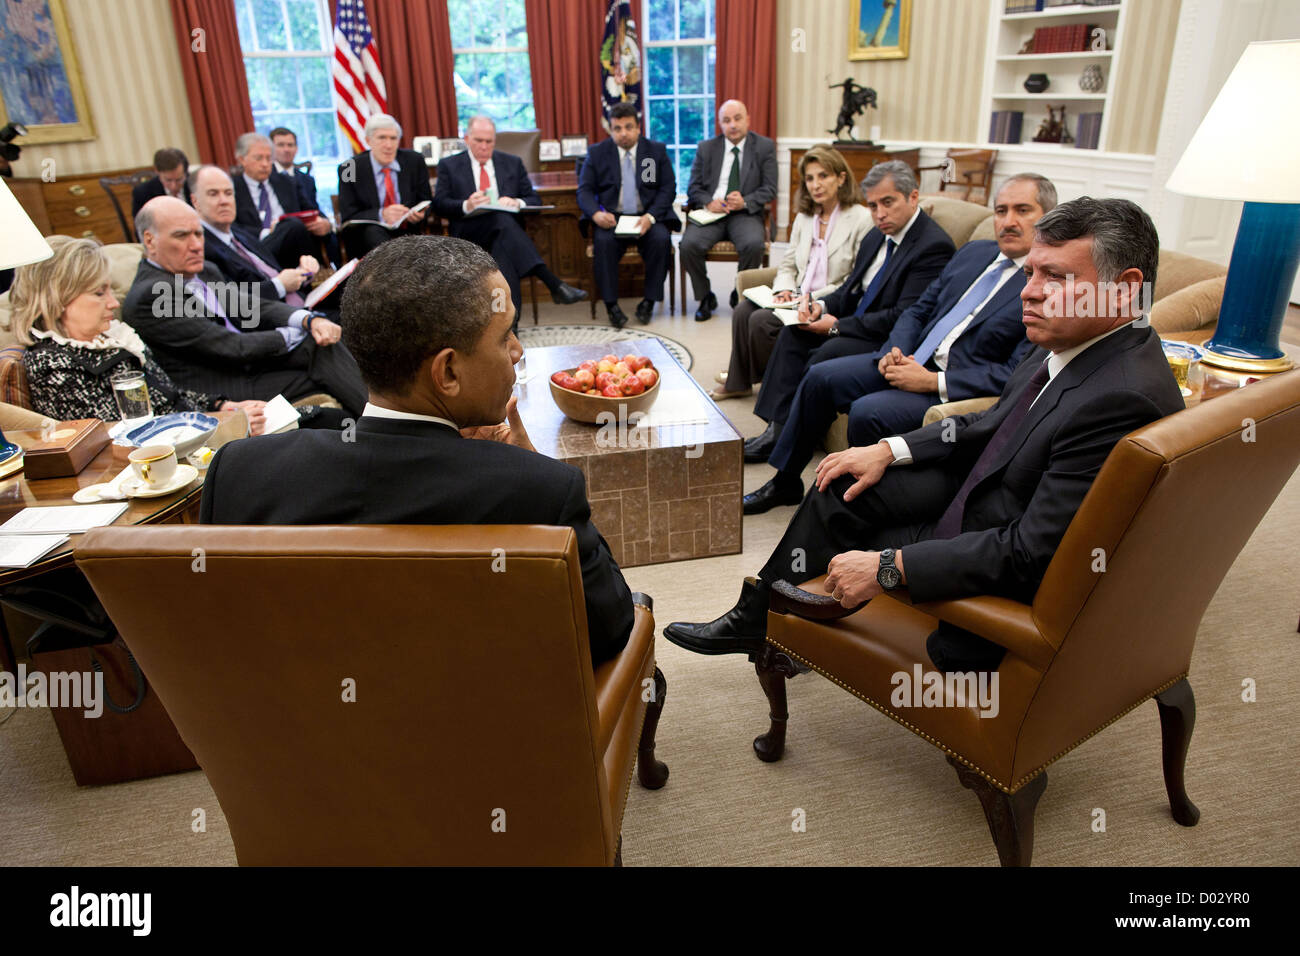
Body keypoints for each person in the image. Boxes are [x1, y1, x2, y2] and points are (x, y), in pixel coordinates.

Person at [664, 197, 1185, 673]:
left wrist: (889, 568)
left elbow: (1030, 553)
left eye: (1056, 277)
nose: (1029, 292)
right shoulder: (1075, 337)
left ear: (1124, 288)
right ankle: (763, 618)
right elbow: (989, 424)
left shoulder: (1121, 399)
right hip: (984, 492)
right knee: (842, 483)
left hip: (993, 550)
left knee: (855, 518)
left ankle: (788, 623)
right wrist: (888, 449)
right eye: (1031, 272)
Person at [200, 235, 633, 666]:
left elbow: (221, 629)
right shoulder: (539, 490)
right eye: (505, 338)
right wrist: (532, 467)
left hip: (296, 725)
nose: (518, 352)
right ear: (447, 371)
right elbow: (610, 627)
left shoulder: (239, 470)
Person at [743, 174, 1056, 515]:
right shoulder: (974, 253)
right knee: (820, 376)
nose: (1008, 221)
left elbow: (1016, 373)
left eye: (1022, 210)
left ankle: (853, 507)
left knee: (867, 410)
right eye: (1001, 210)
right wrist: (895, 350)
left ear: (1048, 216)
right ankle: (786, 480)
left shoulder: (1046, 286)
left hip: (946, 383)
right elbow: (919, 309)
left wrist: (933, 381)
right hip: (908, 357)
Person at [742, 160, 954, 464]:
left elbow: (903, 316)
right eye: (872, 205)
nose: (879, 213)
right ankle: (777, 428)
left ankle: (793, 432)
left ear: (913, 197)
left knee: (830, 349)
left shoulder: (932, 246)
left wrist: (837, 326)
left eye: (888, 202)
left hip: (884, 337)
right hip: (858, 320)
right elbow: (852, 289)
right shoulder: (877, 234)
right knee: (793, 333)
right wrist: (821, 306)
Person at [121, 197, 366, 421]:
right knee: (322, 357)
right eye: (182, 236)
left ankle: (383, 425)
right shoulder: (152, 294)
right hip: (222, 384)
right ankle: (384, 427)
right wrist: (302, 331)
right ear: (150, 241)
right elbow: (229, 346)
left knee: (323, 341)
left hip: (248, 364)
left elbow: (250, 306)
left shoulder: (204, 270)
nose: (196, 245)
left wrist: (308, 320)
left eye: (198, 233)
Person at [10, 236, 267, 433]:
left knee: (302, 419)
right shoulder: (52, 364)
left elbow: (168, 395)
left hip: (196, 434)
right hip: (167, 466)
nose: (113, 303)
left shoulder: (113, 337)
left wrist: (222, 406)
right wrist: (223, 424)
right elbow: (123, 436)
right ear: (58, 299)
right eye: (99, 293)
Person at [710, 145, 873, 401]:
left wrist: (808, 299)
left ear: (841, 178)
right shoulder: (804, 218)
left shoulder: (862, 219)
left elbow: (852, 280)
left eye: (823, 176)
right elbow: (787, 264)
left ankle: (776, 380)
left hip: (826, 301)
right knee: (743, 311)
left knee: (760, 321)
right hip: (796, 295)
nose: (816, 184)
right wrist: (784, 289)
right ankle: (739, 382)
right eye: (810, 178)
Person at [434, 115, 586, 320]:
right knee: (501, 221)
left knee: (504, 252)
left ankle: (510, 328)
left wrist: (516, 202)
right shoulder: (449, 165)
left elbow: (534, 199)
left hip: (505, 236)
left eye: (489, 142)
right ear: (468, 139)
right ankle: (552, 282)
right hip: (468, 235)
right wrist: (466, 204)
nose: (484, 146)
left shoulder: (511, 163)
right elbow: (439, 204)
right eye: (479, 141)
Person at [576, 102, 679, 329]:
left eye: (628, 127)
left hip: (647, 216)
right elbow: (584, 190)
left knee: (661, 240)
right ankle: (611, 305)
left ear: (638, 127)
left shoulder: (653, 152)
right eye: (617, 128)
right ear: (611, 130)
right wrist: (595, 214)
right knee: (603, 243)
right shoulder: (597, 153)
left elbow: (667, 188)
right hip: (613, 218)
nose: (623, 133)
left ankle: (649, 301)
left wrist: (651, 217)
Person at [678, 99, 778, 321]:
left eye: (737, 118)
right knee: (688, 245)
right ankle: (705, 297)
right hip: (712, 214)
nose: (732, 125)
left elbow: (770, 188)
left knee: (754, 245)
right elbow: (693, 187)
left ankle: (738, 292)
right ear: (720, 124)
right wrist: (709, 201)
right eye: (726, 120)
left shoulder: (764, 147)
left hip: (745, 213)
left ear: (747, 120)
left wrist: (746, 201)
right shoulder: (706, 148)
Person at [189, 165, 321, 311]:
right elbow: (229, 301)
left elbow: (272, 273)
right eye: (213, 194)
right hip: (273, 321)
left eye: (228, 193)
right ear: (195, 201)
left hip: (302, 303)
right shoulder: (198, 248)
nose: (224, 201)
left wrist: (302, 272)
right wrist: (279, 285)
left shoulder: (239, 234)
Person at [336, 113, 433, 259]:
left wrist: (420, 214)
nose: (388, 145)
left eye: (393, 138)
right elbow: (348, 214)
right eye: (382, 138)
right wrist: (382, 214)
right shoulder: (348, 167)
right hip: (368, 236)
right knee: (374, 233)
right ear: (369, 140)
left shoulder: (415, 160)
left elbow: (427, 201)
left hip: (407, 230)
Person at [231, 133, 330, 268]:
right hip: (259, 249)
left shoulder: (287, 182)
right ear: (242, 159)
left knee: (294, 227)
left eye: (268, 158)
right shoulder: (232, 189)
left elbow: (311, 209)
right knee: (292, 224)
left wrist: (325, 223)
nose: (265, 164)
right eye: (259, 158)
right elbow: (234, 229)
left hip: (295, 247)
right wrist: (269, 232)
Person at [269, 126, 321, 213]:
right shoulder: (265, 178)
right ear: (271, 149)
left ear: (296, 149)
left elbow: (314, 209)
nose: (286, 149)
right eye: (281, 145)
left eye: (290, 145)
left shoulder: (307, 180)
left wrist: (325, 222)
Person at [131, 148, 190, 216]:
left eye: (179, 179)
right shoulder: (142, 193)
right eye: (168, 180)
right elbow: (141, 225)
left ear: (185, 172)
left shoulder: (196, 183)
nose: (173, 186)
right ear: (157, 171)